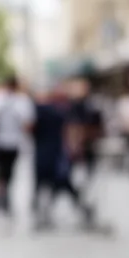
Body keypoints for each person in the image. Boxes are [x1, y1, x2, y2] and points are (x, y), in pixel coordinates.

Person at [32, 83, 93, 230]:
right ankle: (45, 213)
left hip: (48, 154)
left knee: (52, 184)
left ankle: (43, 213)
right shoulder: (64, 111)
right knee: (61, 184)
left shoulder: (44, 110)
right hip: (57, 155)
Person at [0, 76, 35, 222]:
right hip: (4, 143)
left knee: (3, 174)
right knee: (1, 174)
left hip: (8, 143)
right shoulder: (14, 100)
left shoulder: (16, 100)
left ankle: (1, 202)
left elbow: (28, 125)